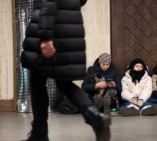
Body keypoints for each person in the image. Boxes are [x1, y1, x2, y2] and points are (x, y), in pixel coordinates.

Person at [20, 0, 111, 141]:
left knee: (37, 80)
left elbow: (49, 3)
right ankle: (95, 116)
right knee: (63, 83)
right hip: (69, 31)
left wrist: (45, 35)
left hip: (54, 31)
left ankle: (39, 134)